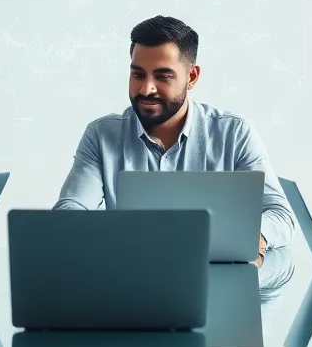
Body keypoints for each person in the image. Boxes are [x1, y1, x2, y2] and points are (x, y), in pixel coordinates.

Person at [54, 15, 295, 265]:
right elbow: (69, 212)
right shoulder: (101, 135)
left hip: (215, 286)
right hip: (129, 286)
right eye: (138, 74)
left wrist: (256, 237)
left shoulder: (234, 134)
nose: (147, 89)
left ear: (192, 77)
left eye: (163, 76)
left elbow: (280, 214)